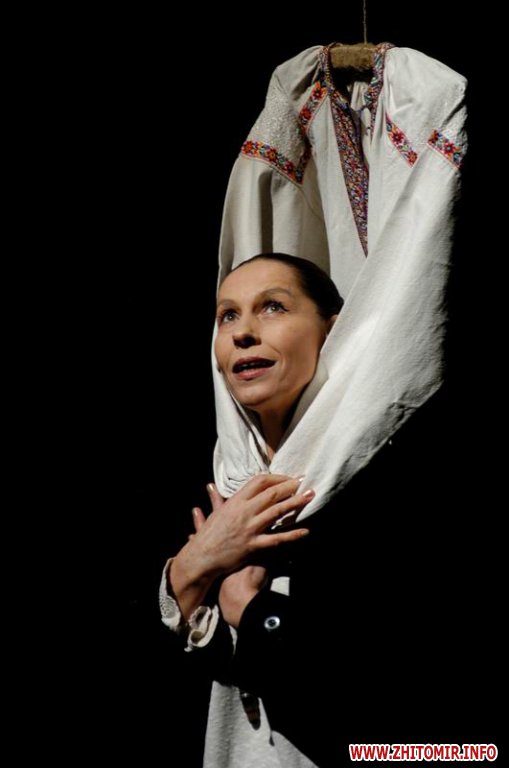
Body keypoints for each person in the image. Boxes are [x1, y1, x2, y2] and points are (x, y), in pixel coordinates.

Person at [160, 254, 497, 767]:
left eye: (272, 307)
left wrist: (252, 612)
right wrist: (193, 566)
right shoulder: (222, 477)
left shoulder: (394, 479)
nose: (242, 333)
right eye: (228, 315)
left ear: (333, 333)